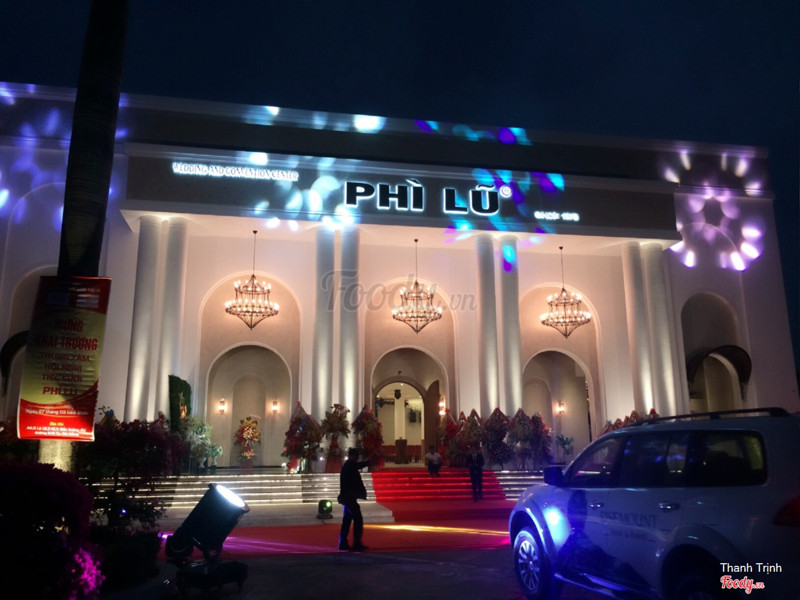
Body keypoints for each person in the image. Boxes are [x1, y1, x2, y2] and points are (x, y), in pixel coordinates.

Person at [338, 447, 370, 551]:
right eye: (356, 456)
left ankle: (343, 543)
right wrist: (369, 462)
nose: (357, 458)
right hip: (349, 498)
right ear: (352, 456)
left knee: (347, 521)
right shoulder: (350, 466)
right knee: (358, 519)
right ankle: (356, 543)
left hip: (347, 498)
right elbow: (358, 466)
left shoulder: (348, 466)